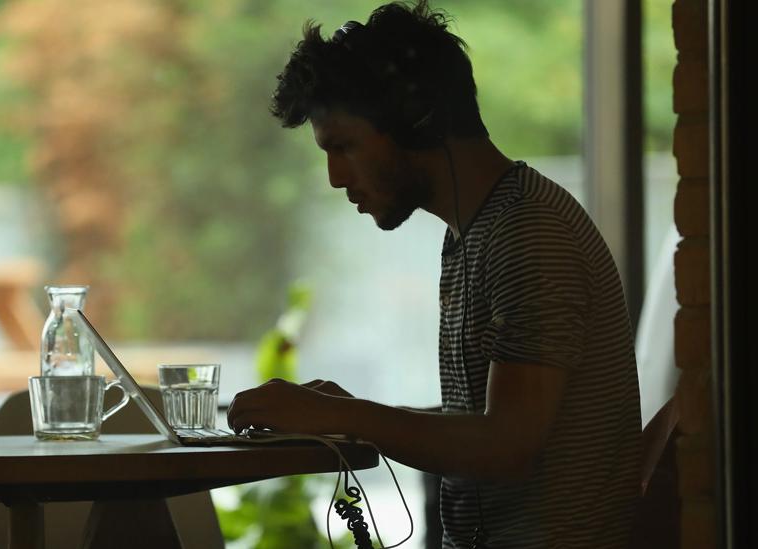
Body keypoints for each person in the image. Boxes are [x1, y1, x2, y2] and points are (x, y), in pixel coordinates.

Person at [226, 2, 641, 548]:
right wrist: (342, 414)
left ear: (416, 121)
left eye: (344, 146)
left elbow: (506, 445)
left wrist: (348, 415)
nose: (333, 177)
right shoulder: (476, 232)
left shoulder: (529, 232)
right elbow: (486, 424)